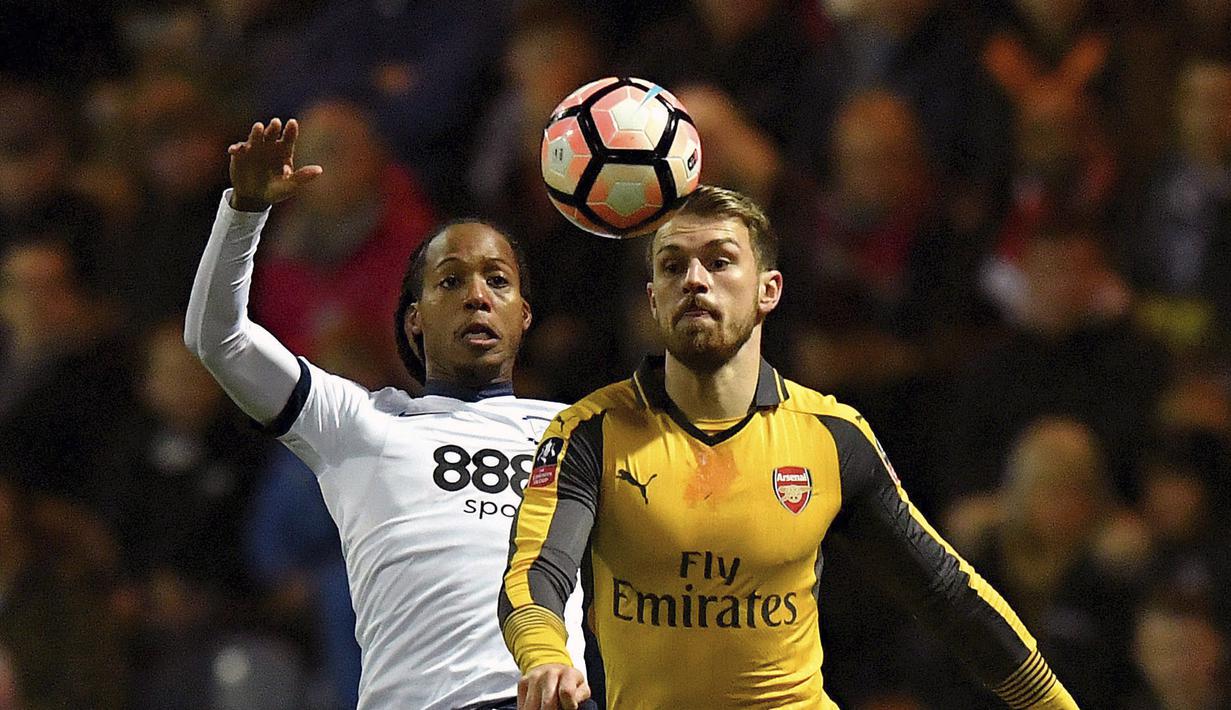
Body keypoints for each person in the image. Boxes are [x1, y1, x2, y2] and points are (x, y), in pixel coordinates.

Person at [499, 185, 1078, 709]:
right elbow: (536, 569)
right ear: (653, 299)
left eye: (720, 262)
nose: (694, 281)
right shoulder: (591, 433)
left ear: (768, 290)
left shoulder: (830, 436)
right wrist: (544, 654)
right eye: (673, 267)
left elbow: (945, 592)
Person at [185, 117, 586, 710]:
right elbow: (219, 339)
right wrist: (244, 211)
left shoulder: (584, 430)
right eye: (451, 280)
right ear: (413, 319)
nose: (478, 295)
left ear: (524, 315)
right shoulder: (357, 423)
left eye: (497, 281)